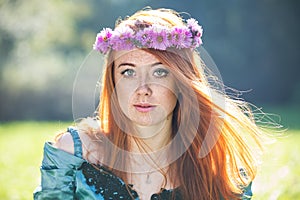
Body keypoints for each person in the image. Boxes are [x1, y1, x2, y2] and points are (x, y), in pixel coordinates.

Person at [34, 7, 265, 200]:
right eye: (128, 72)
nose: (143, 89)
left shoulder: (218, 166)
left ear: (181, 82)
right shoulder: (75, 153)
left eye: (160, 72)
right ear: (113, 82)